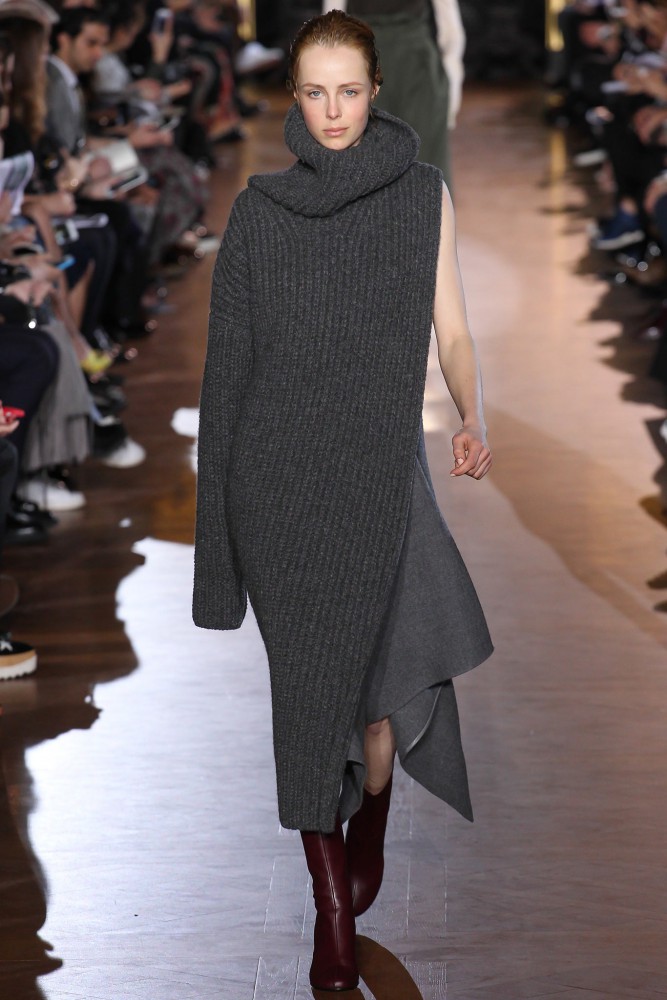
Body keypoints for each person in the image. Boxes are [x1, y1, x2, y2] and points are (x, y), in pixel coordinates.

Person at [193, 10, 493, 993]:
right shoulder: (259, 213)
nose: (332, 111)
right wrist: (215, 557)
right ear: (293, 97)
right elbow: (225, 384)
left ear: (375, 91)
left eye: (348, 91)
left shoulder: (420, 196)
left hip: (381, 478)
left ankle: (370, 820)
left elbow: (453, 328)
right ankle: (330, 918)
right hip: (277, 488)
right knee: (308, 711)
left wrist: (471, 411)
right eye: (314, 92)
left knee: (374, 721)